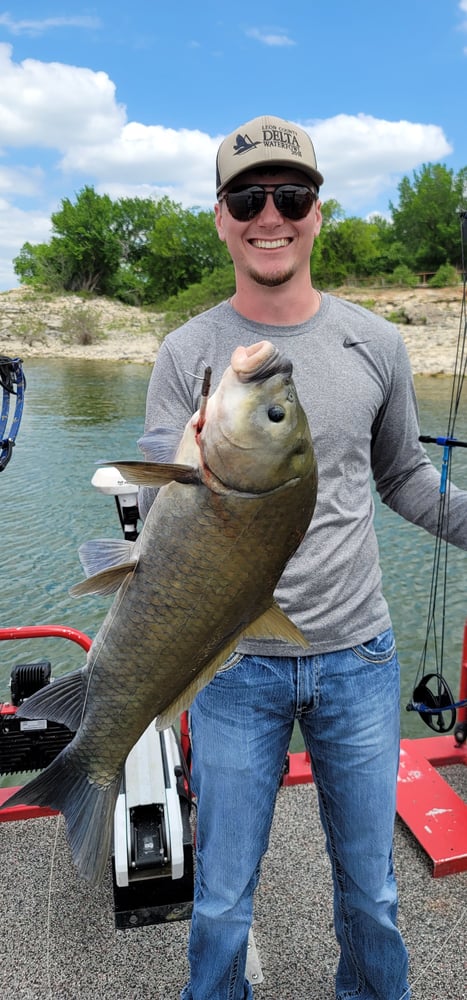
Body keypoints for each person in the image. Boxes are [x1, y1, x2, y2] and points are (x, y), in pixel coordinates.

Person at [139, 115, 467, 1000]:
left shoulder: (379, 344)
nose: (269, 214)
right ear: (220, 217)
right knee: (219, 905)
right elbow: (144, 520)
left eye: (290, 196)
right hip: (234, 667)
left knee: (371, 895)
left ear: (318, 213)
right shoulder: (183, 353)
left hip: (359, 659)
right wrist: (176, 464)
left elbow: (405, 480)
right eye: (248, 197)